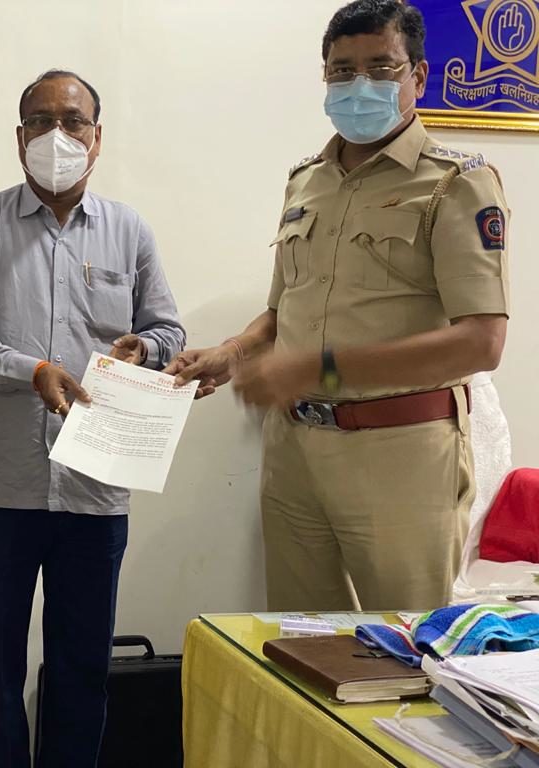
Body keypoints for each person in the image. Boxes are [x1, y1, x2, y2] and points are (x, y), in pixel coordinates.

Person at [169, 0, 509, 612]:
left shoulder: (455, 182)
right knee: (300, 637)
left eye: (381, 67)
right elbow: (283, 312)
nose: (359, 84)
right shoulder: (306, 180)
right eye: (342, 70)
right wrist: (232, 352)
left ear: (418, 76)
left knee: (404, 644)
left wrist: (318, 369)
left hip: (400, 453)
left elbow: (481, 342)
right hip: (294, 450)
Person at [0, 70, 185, 767]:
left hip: (95, 487)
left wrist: (146, 349)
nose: (57, 135)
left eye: (73, 121)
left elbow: (167, 329)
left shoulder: (128, 230)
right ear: (20, 138)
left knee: (82, 668)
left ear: (96, 138)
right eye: (41, 121)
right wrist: (32, 370)